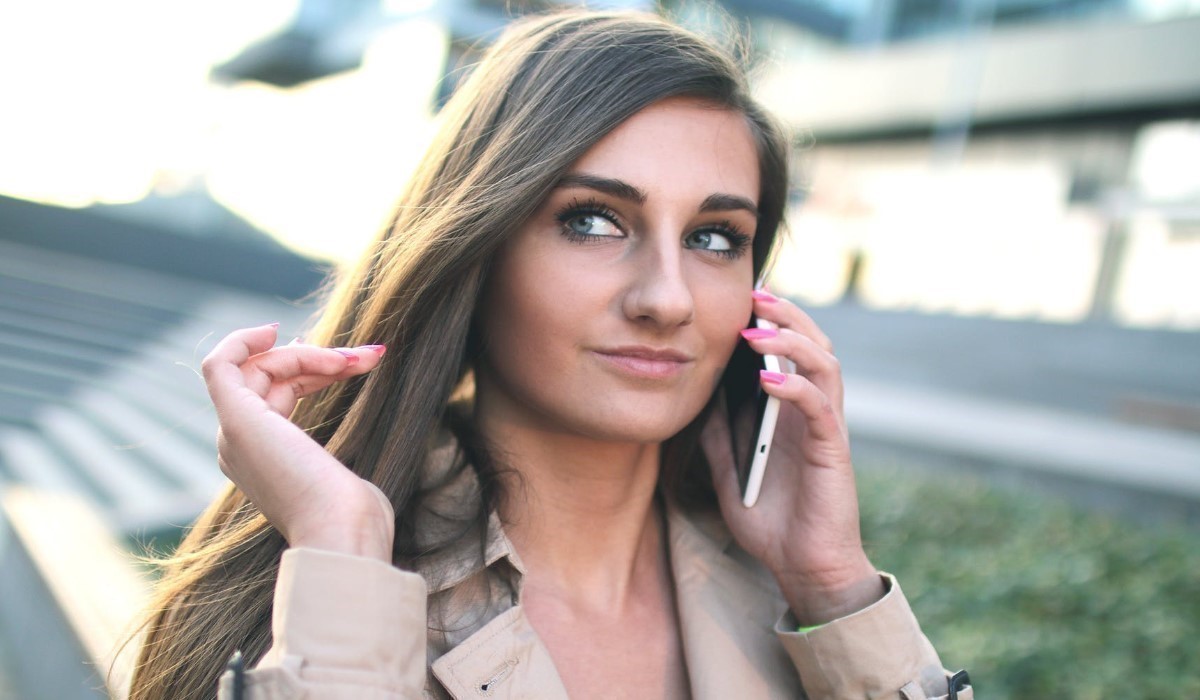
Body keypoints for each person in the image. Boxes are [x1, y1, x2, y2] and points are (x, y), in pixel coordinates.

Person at [128, 9, 971, 700]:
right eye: (593, 220)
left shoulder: (804, 615)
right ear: (478, 247)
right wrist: (345, 542)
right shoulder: (319, 597)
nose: (667, 297)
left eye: (717, 237)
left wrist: (838, 589)